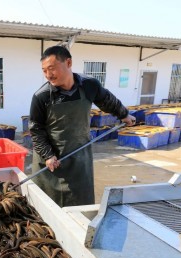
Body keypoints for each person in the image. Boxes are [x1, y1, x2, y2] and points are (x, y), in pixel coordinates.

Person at [29, 45, 136, 207]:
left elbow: (107, 101)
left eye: (51, 68)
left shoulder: (89, 85)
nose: (48, 75)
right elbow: (36, 130)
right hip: (51, 160)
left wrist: (124, 115)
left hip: (79, 155)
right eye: (44, 71)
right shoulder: (42, 96)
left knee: (80, 204)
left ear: (69, 62)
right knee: (47, 208)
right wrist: (48, 155)